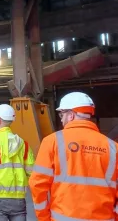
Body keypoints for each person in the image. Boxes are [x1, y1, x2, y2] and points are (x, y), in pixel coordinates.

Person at [29, 92, 118, 220]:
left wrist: (43, 217)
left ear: (71, 115)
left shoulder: (52, 141)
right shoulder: (113, 147)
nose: (61, 118)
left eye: (62, 114)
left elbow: (37, 184)